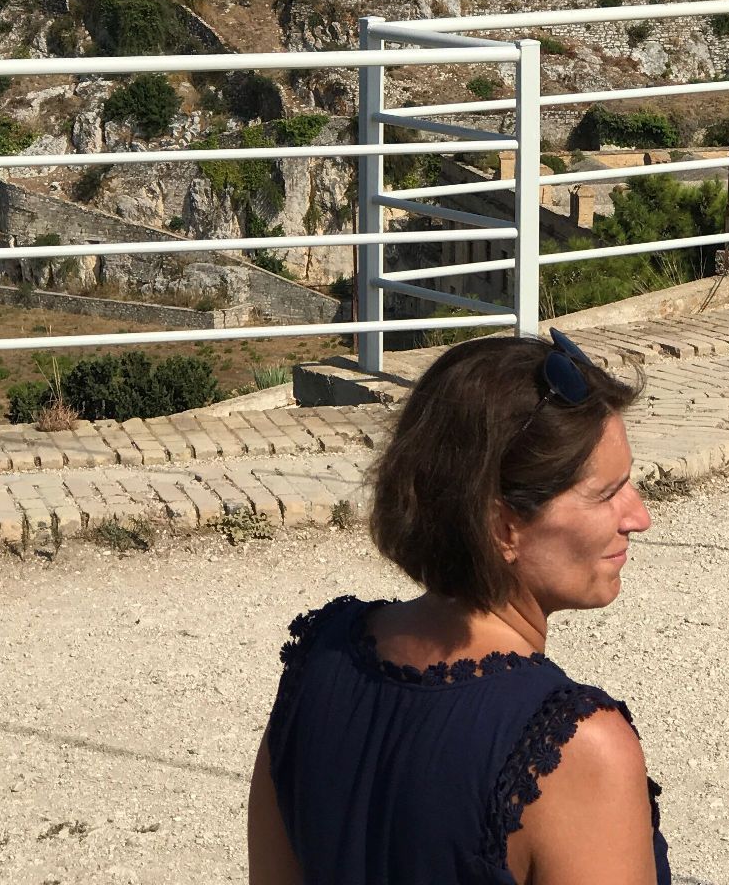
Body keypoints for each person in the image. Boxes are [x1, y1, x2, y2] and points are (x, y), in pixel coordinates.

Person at [248, 329, 669, 884]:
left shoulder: (317, 664)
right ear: (501, 527)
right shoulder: (573, 748)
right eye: (607, 493)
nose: (639, 517)